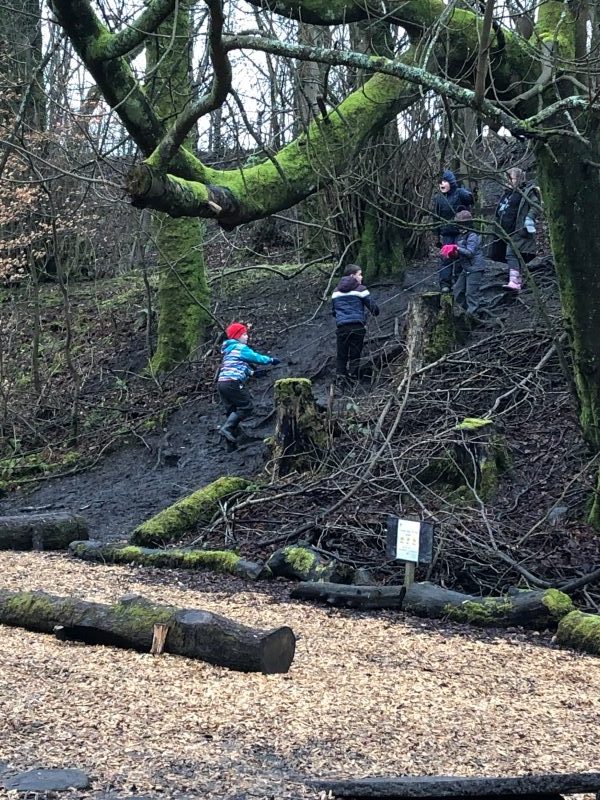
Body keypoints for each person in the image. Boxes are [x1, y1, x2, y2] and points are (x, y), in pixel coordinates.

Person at [217, 322, 280, 445]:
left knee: (232, 410)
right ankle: (227, 429)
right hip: (232, 382)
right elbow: (255, 357)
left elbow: (236, 366)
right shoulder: (240, 348)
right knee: (246, 407)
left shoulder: (229, 351)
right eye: (244, 334)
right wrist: (271, 360)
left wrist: (252, 373)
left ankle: (231, 443)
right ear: (237, 336)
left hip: (222, 384)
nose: (247, 337)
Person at [493, 167, 540, 292]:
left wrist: (529, 218)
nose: (508, 181)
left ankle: (515, 282)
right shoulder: (507, 193)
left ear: (519, 179)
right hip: (505, 232)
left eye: (511, 179)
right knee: (509, 254)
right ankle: (517, 277)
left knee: (512, 253)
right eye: (507, 179)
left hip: (519, 230)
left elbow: (535, 206)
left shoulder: (527, 192)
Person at [331, 264, 379, 382]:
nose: (361, 277)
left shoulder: (335, 291)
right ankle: (353, 377)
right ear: (352, 276)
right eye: (359, 274)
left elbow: (334, 312)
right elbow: (374, 309)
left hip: (342, 327)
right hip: (358, 326)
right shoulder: (361, 289)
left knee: (341, 354)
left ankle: (340, 378)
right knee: (355, 353)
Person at [432, 169, 474, 292]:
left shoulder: (460, 193)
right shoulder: (439, 199)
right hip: (447, 233)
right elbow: (436, 217)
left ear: (451, 182)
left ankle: (459, 282)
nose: (442, 184)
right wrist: (436, 235)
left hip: (461, 232)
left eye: (444, 181)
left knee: (461, 257)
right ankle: (445, 284)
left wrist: (469, 194)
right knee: (446, 257)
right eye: (440, 182)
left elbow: (470, 200)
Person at [441, 210, 486, 316]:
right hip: (466, 268)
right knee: (457, 290)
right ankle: (465, 311)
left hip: (475, 268)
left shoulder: (472, 235)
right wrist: (451, 253)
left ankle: (473, 315)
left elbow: (470, 252)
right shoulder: (460, 236)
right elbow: (460, 254)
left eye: (459, 223)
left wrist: (456, 247)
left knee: (471, 293)